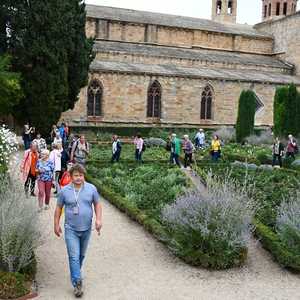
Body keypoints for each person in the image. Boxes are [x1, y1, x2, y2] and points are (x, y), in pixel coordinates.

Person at [54, 164, 102, 298]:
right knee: (74, 256)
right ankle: (77, 283)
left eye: (81, 175)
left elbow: (97, 204)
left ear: (83, 176)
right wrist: (56, 224)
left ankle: (76, 273)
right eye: (76, 175)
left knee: (81, 256)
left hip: (86, 229)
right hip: (71, 229)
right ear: (70, 176)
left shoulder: (91, 189)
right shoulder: (64, 191)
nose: (79, 178)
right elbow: (58, 208)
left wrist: (99, 220)